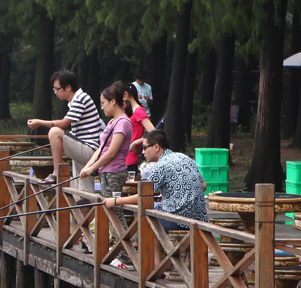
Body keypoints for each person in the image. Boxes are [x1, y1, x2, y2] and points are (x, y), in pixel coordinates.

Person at [104, 131, 207, 270]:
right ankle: (164, 262)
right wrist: (171, 194)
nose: (143, 152)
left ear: (156, 147)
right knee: (156, 207)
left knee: (147, 213)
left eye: (145, 147)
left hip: (179, 218)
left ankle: (155, 266)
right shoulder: (185, 158)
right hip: (200, 218)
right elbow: (203, 186)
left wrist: (116, 201)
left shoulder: (160, 166)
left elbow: (143, 195)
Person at [27, 70, 104, 189]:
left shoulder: (80, 99)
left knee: (54, 132)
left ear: (68, 87)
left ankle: (56, 172)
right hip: (88, 148)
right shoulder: (77, 100)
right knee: (85, 194)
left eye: (57, 89)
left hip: (90, 149)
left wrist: (39, 122)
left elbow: (63, 124)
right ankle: (86, 204)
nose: (56, 92)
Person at [80, 82, 133, 201]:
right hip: (105, 171)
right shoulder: (111, 122)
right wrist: (88, 166)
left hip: (114, 172)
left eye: (103, 103)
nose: (102, 107)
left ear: (113, 101)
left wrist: (92, 168)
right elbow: (102, 148)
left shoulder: (122, 122)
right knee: (108, 211)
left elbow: (111, 152)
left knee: (114, 212)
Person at [123, 82, 156, 173]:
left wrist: (135, 142)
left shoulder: (138, 111)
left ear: (126, 94)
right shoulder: (126, 110)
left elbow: (153, 132)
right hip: (123, 157)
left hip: (130, 158)